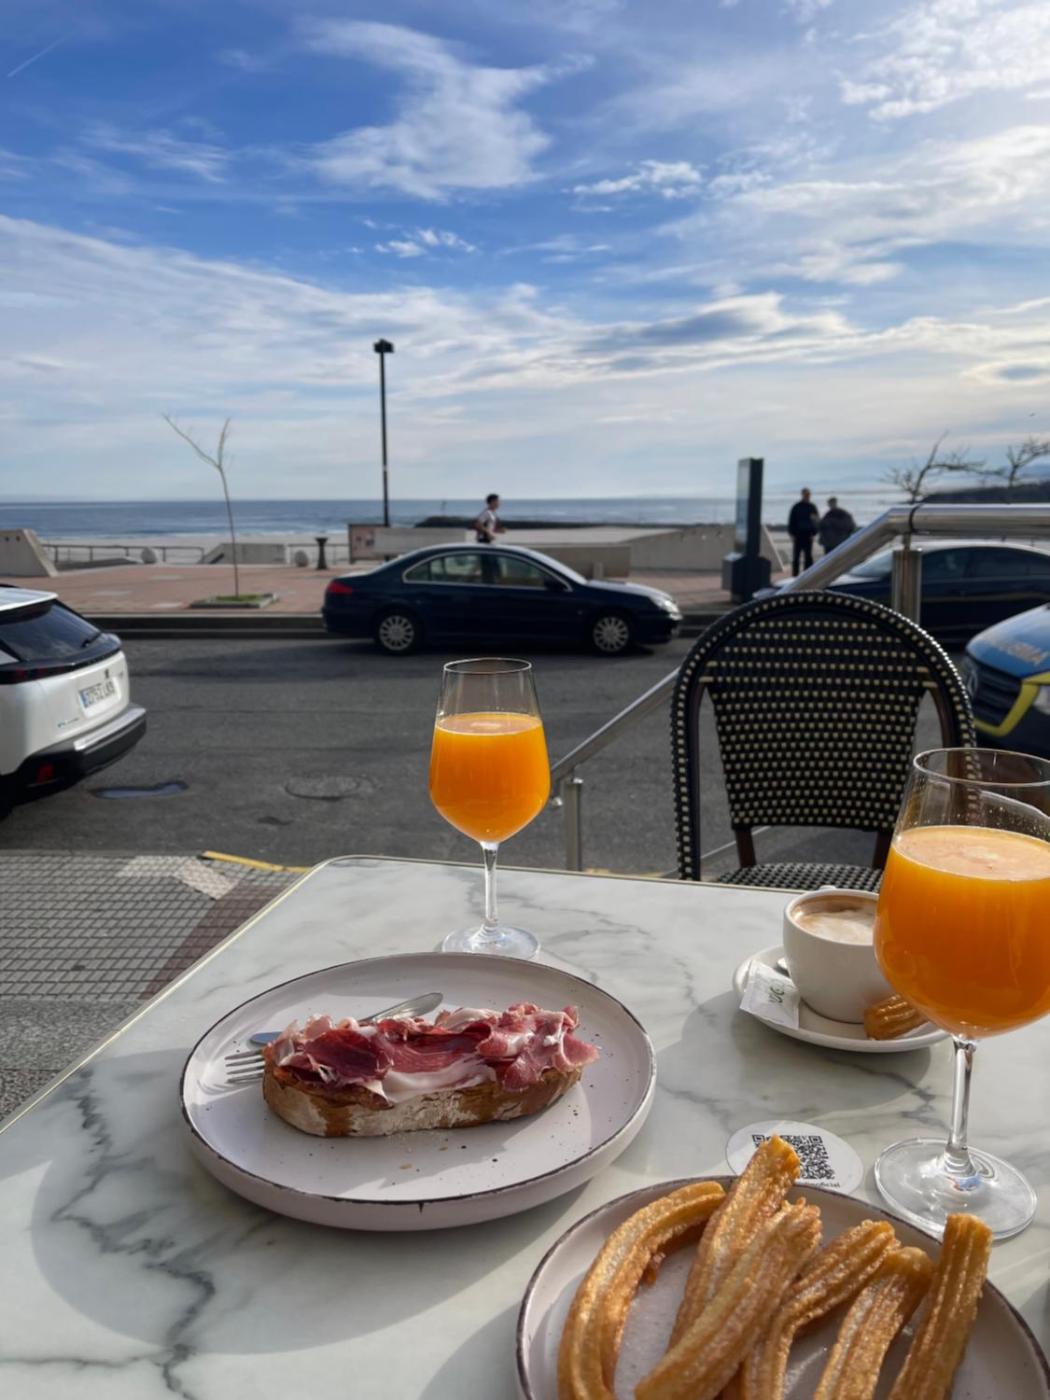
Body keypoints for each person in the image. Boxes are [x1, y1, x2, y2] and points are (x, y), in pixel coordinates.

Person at [787, 487, 820, 576]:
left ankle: (808, 575)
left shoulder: (812, 507)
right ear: (802, 495)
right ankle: (795, 576)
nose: (807, 496)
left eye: (808, 495)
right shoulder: (796, 507)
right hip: (798, 535)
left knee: (808, 557)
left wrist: (814, 533)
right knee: (796, 557)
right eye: (805, 494)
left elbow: (816, 521)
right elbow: (791, 521)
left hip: (808, 535)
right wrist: (792, 534)